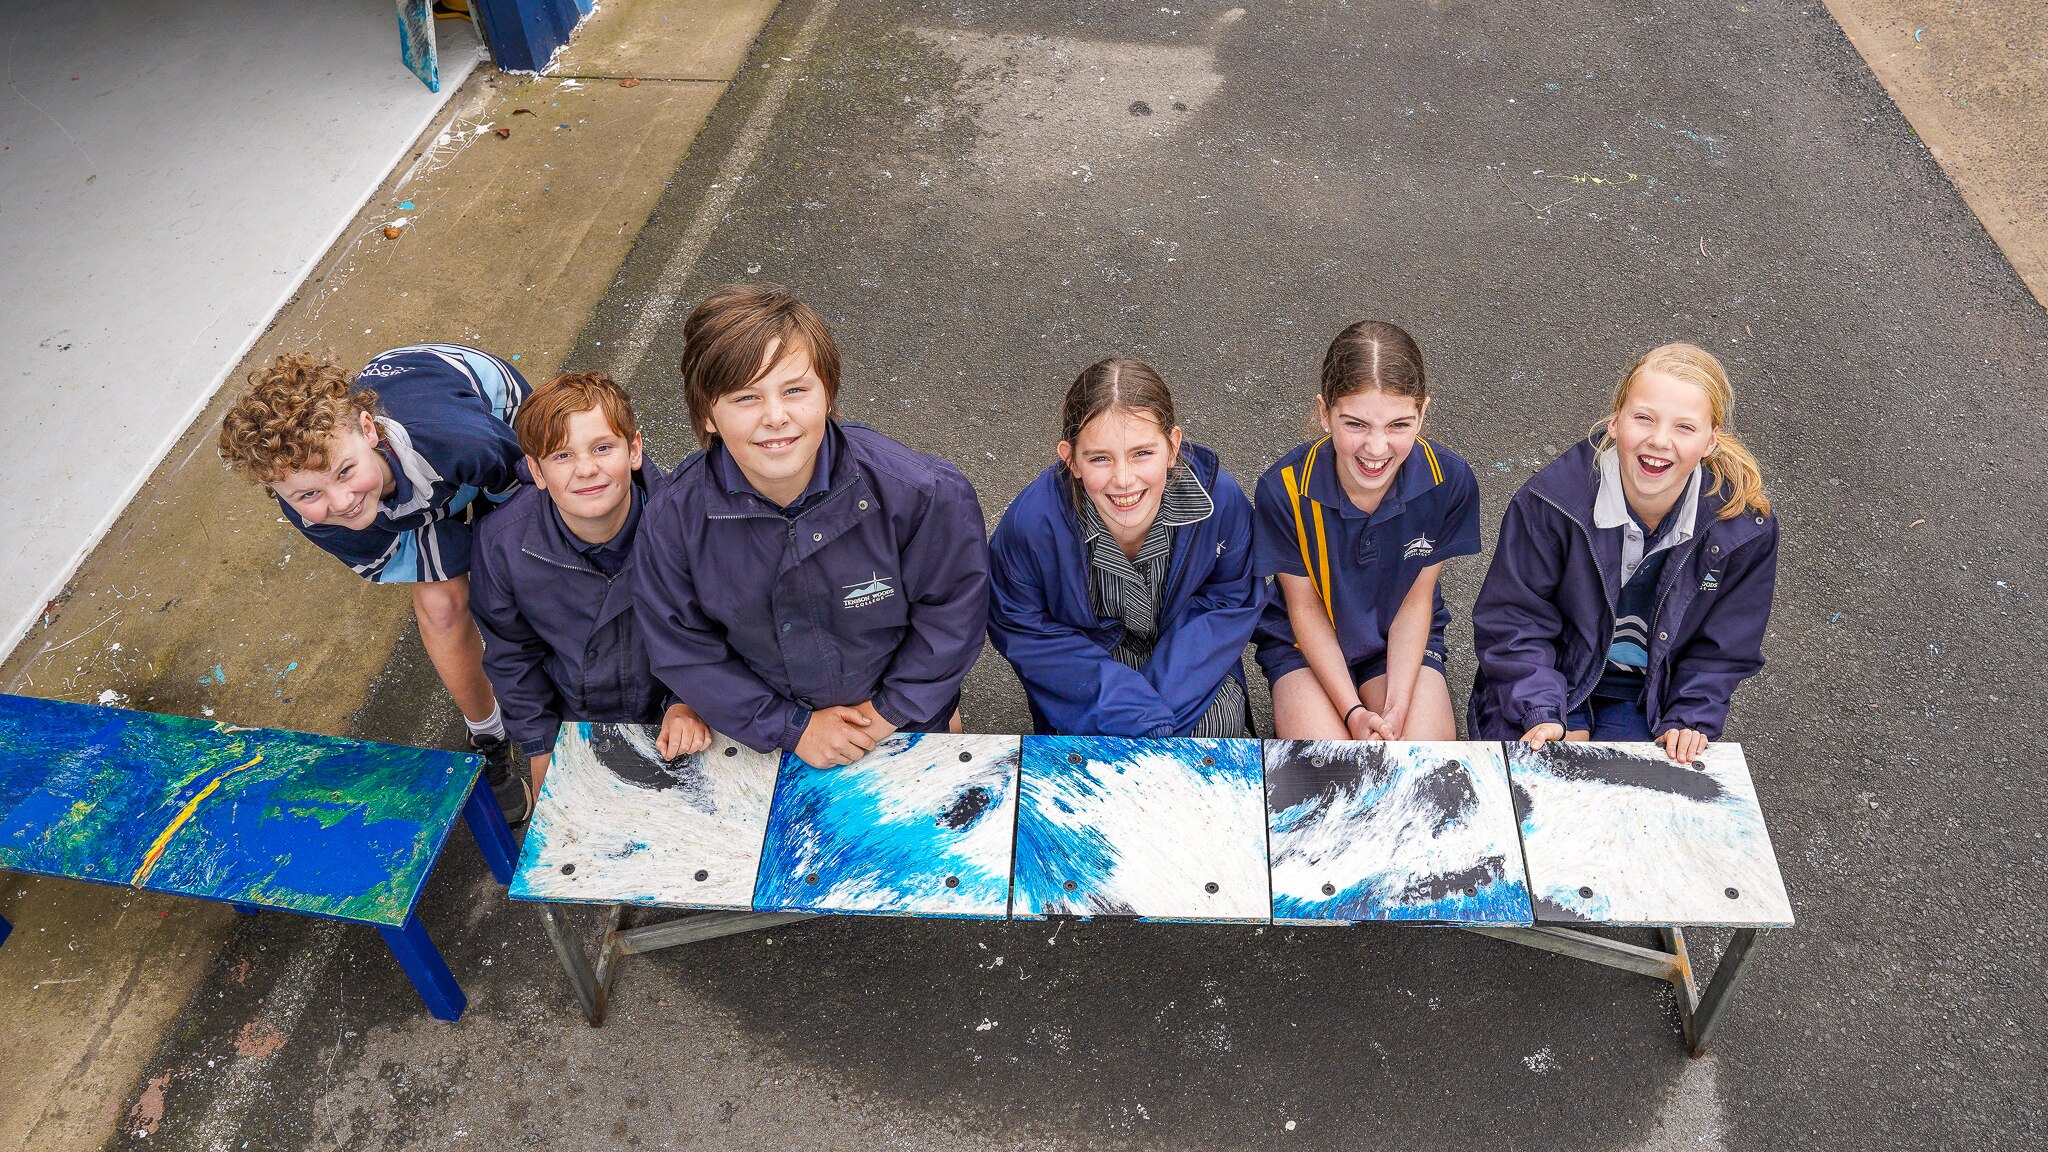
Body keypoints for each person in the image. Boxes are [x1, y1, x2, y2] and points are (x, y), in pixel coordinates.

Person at [633, 284, 990, 767]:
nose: (776, 417)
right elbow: (683, 647)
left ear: (828, 395)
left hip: (898, 718)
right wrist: (791, 728)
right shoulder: (672, 522)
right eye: (745, 398)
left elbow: (953, 612)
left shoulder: (921, 494)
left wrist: (891, 711)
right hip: (766, 728)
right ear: (707, 414)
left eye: (795, 389)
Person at [217, 344, 534, 820]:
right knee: (444, 603)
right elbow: (427, 563)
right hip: (413, 484)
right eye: (308, 492)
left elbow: (521, 503)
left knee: (525, 567)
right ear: (277, 491)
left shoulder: (460, 439)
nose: (341, 501)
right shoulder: (313, 514)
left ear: (369, 428)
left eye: (345, 470)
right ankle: (488, 734)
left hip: (489, 425)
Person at [1469, 342, 1778, 763]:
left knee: (1634, 809)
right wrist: (1546, 710)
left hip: (1646, 698)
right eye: (1644, 418)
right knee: (1543, 793)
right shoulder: (1551, 502)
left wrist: (1690, 716)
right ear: (1615, 421)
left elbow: (1725, 645)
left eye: (1684, 427)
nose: (1659, 440)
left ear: (1711, 440)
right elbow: (1513, 619)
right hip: (1547, 680)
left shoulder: (1743, 526)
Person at [987, 358, 1263, 737]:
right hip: (1087, 677)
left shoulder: (1220, 502)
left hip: (1192, 667)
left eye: (1142, 453)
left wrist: (1156, 709)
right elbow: (1023, 627)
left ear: (1173, 446)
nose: (1124, 480)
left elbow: (1231, 599)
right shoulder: (1031, 526)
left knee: (1213, 751)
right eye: (1100, 458)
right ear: (1071, 460)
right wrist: (1128, 708)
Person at [468, 371, 712, 798]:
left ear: (634, 449)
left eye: (602, 447)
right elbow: (513, 657)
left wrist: (688, 700)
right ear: (536, 471)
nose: (586, 469)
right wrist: (541, 748)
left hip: (677, 717)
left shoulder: (689, 524)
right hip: (574, 724)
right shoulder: (501, 544)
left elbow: (715, 625)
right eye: (561, 456)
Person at [1253, 321, 1483, 741]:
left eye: (1398, 425)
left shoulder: (1450, 482)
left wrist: (1395, 708)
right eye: (1355, 424)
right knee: (1333, 778)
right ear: (1324, 413)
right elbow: (1303, 609)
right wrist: (1354, 712)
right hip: (1304, 645)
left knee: (1423, 766)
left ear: (1422, 413)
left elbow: (1417, 601)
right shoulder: (1282, 488)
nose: (1376, 449)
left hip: (1394, 639)